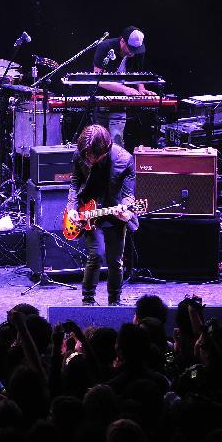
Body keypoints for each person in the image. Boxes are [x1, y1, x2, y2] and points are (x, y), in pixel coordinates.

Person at [65, 124, 137, 306]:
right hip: (89, 213)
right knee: (96, 255)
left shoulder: (125, 160)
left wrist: (126, 210)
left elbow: (129, 195)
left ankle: (114, 302)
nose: (89, 160)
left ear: (107, 148)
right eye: (86, 156)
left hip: (114, 213)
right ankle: (87, 301)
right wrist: (72, 207)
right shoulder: (80, 154)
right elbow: (75, 182)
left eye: (93, 156)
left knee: (115, 261)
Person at [89, 26, 156, 147]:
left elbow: (137, 74)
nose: (132, 53)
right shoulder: (105, 47)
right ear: (122, 41)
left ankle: (118, 165)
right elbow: (99, 79)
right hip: (100, 98)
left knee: (117, 137)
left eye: (136, 50)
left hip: (120, 101)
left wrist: (142, 89)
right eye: (130, 49)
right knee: (100, 140)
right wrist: (125, 89)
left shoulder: (137, 53)